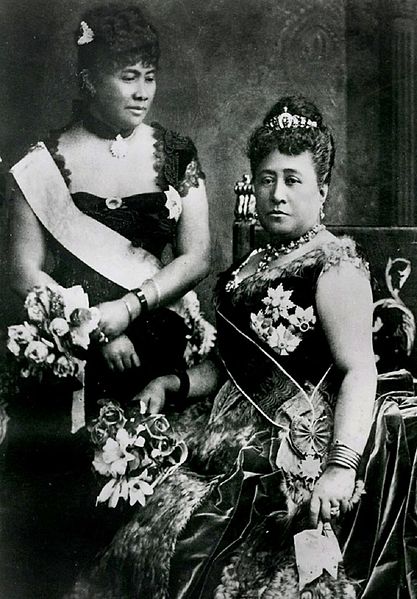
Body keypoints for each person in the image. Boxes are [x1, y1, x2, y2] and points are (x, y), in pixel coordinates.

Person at [69, 96, 417, 599]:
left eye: (293, 180)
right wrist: (174, 381)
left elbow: (358, 370)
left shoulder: (333, 266)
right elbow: (228, 365)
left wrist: (340, 468)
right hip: (223, 432)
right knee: (145, 531)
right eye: (267, 179)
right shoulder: (245, 269)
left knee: (217, 556)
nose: (277, 194)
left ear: (323, 190)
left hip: (291, 444)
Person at [2, 4, 213, 597]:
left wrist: (129, 310)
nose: (143, 91)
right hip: (72, 357)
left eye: (150, 75)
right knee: (54, 536)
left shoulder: (176, 153)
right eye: (128, 75)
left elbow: (194, 258)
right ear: (89, 77)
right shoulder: (44, 159)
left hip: (150, 353)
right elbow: (22, 272)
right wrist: (93, 324)